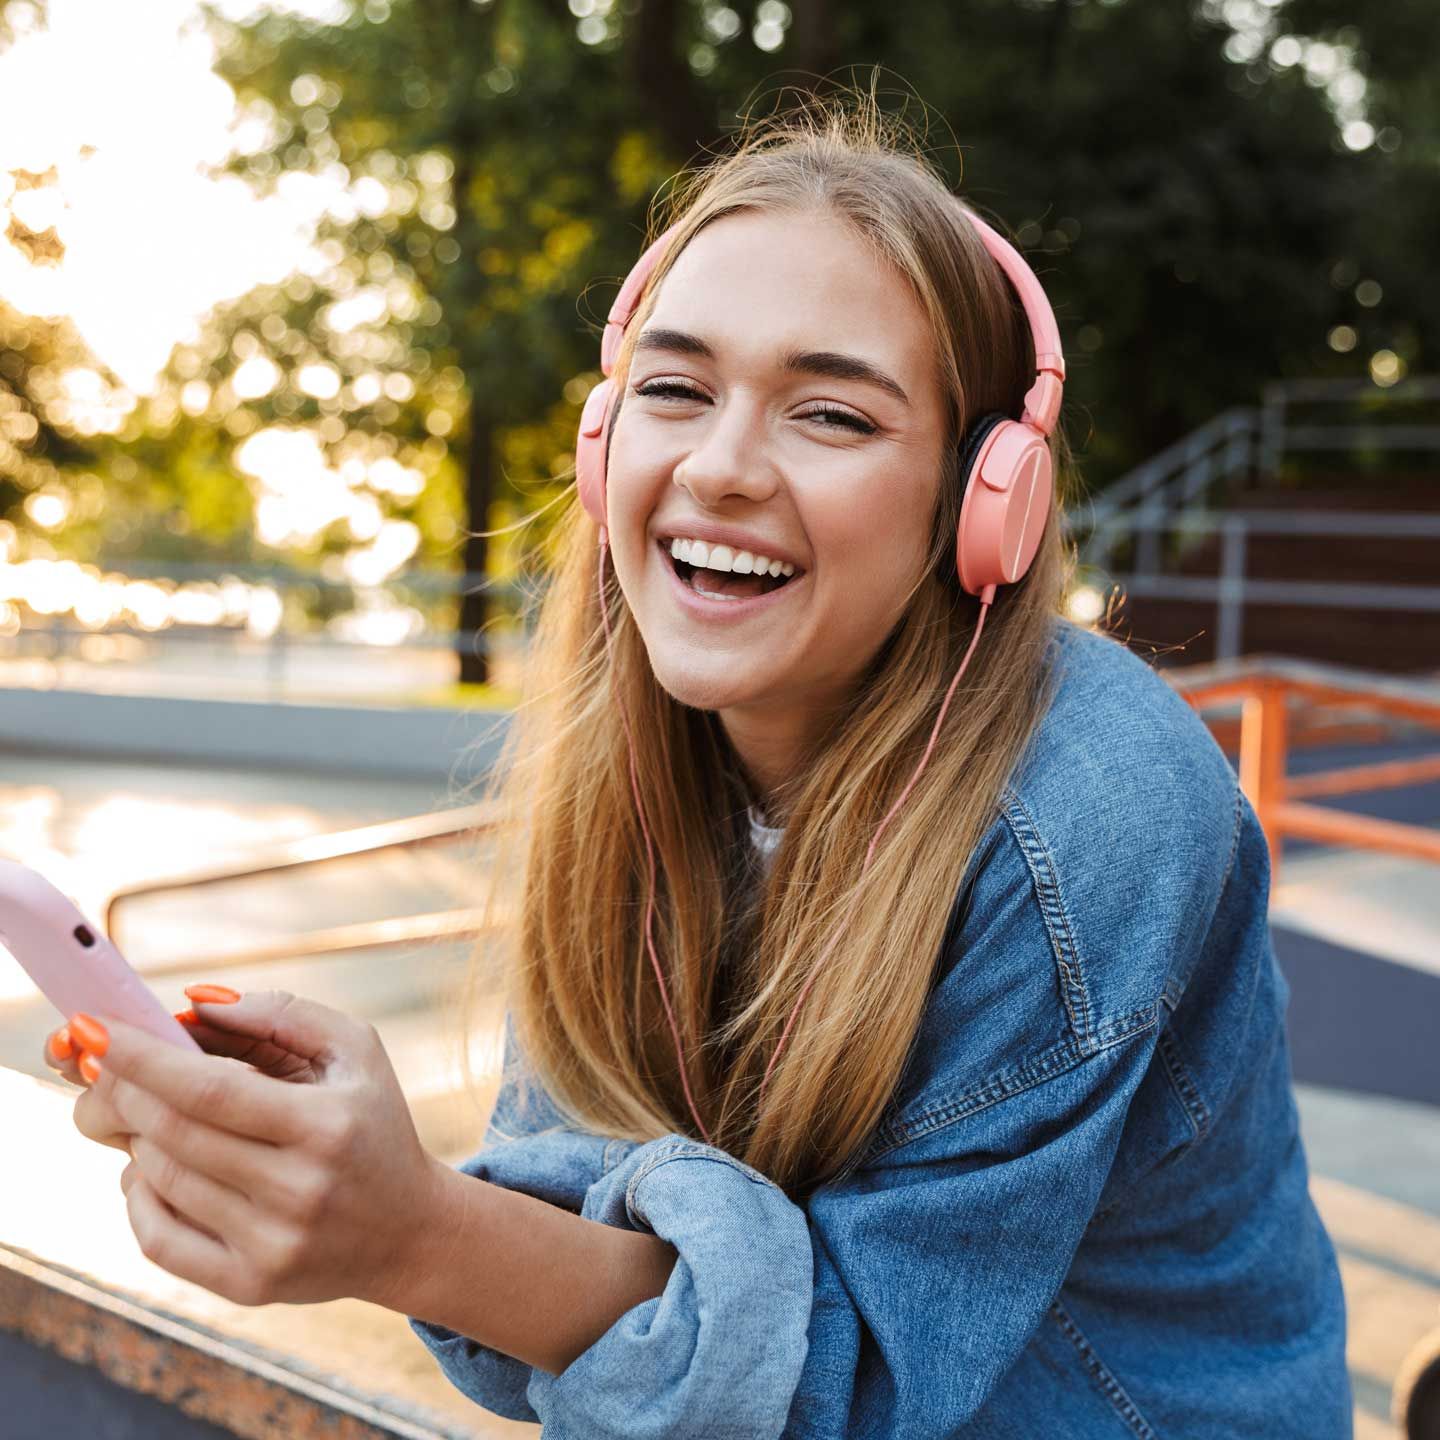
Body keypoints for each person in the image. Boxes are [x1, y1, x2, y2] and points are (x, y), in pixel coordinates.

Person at [45, 89, 1351, 1437]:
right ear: (605, 441)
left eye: (831, 416)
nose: (720, 467)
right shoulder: (643, 754)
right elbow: (589, 1271)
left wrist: (417, 1235)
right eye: (674, 390)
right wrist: (351, 1182)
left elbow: (843, 1392)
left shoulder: (1096, 813)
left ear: (983, 504)